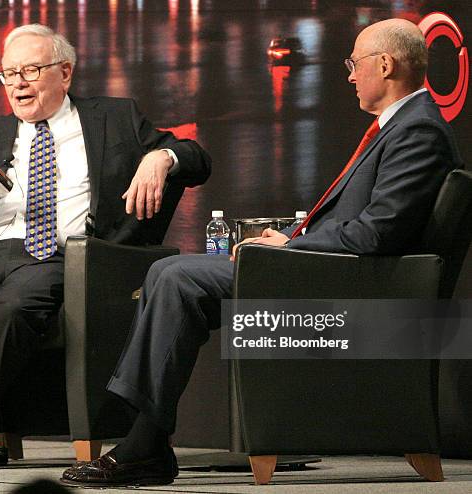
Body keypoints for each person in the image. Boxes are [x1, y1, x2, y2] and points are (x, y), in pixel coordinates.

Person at [60, 18, 463, 487]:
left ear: (385, 64)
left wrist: (291, 245)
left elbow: (377, 234)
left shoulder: (417, 131)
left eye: (354, 63)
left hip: (354, 287)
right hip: (331, 271)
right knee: (170, 271)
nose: (349, 75)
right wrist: (288, 237)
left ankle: (143, 440)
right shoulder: (403, 126)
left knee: (176, 276)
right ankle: (145, 437)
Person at [0, 23, 211, 470]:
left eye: (30, 70)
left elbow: (198, 159)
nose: (18, 83)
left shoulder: (115, 118)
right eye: (9, 74)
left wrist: (161, 157)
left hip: (60, 255)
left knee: (14, 307)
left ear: (64, 72)